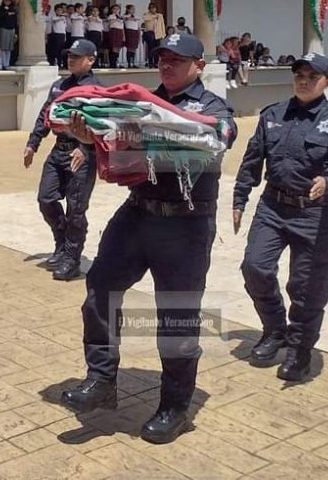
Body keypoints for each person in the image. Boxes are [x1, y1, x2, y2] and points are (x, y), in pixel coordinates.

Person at [61, 33, 237, 444]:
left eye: (178, 59)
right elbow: (119, 149)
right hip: (139, 212)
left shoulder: (211, 108)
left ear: (199, 66)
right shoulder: (137, 102)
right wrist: (93, 140)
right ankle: (102, 379)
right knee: (100, 288)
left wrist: (148, 142)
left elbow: (215, 144)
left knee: (176, 318)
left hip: (186, 224)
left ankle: (175, 406)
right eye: (162, 58)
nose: (167, 65)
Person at [232, 52, 328, 381]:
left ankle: (300, 350)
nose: (304, 80)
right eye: (299, 74)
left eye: (312, 76)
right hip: (272, 207)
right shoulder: (273, 114)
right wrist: (240, 198)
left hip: (316, 214)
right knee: (254, 267)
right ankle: (275, 329)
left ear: (327, 82)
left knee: (306, 286)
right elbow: (252, 159)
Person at [24, 39, 102, 280]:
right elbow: (45, 115)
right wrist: (33, 143)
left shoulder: (97, 90)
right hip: (59, 150)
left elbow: (103, 124)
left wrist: (85, 147)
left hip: (83, 154)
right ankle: (62, 243)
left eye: (77, 56)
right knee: (46, 199)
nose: (70, 60)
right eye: (69, 55)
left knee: (76, 208)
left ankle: (71, 257)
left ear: (90, 60)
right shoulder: (59, 86)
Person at [0, 0, 17, 70]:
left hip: (11, 29)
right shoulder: (0, 9)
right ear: (3, 1)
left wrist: (15, 32)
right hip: (3, 29)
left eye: (8, 0)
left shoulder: (13, 9)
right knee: (2, 48)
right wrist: (7, 13)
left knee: (9, 48)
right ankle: (0, 63)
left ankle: (7, 64)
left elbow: (15, 20)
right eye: (5, 0)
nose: (7, 1)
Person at [142, 3, 166, 68]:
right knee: (150, 48)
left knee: (157, 48)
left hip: (158, 34)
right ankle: (150, 62)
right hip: (150, 32)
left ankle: (156, 62)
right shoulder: (146, 14)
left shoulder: (160, 15)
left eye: (154, 8)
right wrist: (154, 16)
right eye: (151, 8)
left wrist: (163, 34)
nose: (153, 9)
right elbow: (146, 19)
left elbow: (162, 25)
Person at [123, 4, 141, 69]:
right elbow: (124, 20)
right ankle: (128, 63)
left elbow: (138, 27)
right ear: (128, 10)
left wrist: (139, 35)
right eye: (131, 9)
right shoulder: (125, 16)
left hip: (135, 32)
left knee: (134, 48)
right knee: (129, 47)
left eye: (134, 9)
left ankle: (133, 62)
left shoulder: (136, 17)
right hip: (129, 32)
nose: (133, 10)